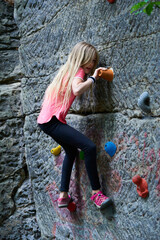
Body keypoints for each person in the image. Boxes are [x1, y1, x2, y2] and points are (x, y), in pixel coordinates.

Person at [37, 42, 112, 210]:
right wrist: (93, 78)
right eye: (91, 61)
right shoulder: (78, 71)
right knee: (89, 147)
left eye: (94, 61)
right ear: (82, 58)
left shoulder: (67, 70)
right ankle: (96, 193)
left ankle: (63, 195)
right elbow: (77, 90)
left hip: (46, 121)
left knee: (71, 151)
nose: (93, 65)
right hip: (52, 121)